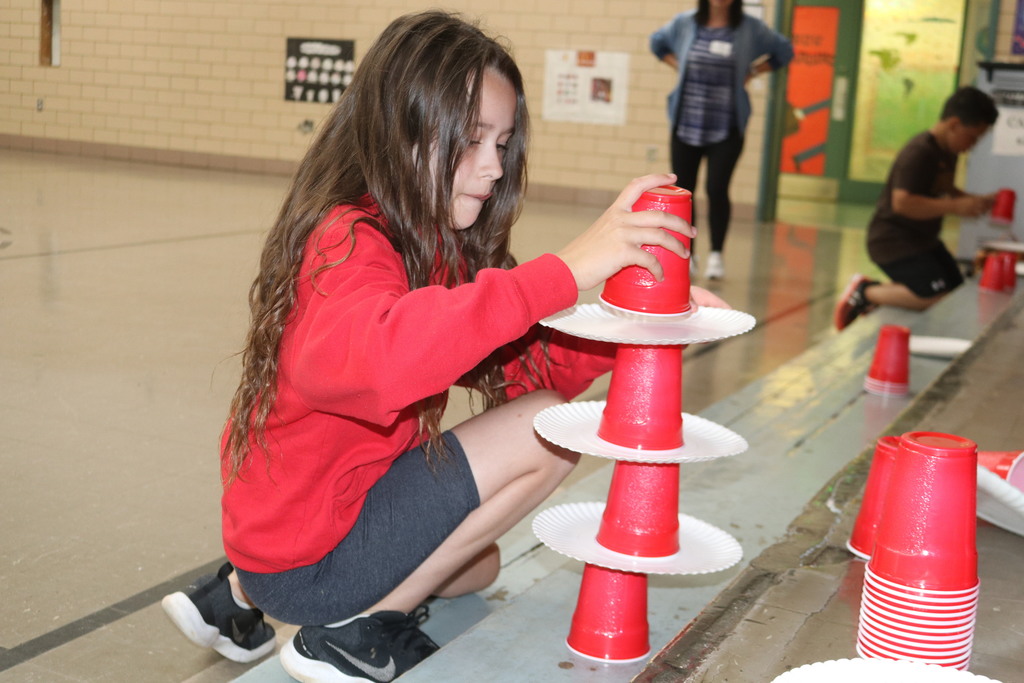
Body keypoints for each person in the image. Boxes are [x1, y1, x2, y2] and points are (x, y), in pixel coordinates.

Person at [161, 11, 728, 683]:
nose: (492, 167)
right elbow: (387, 358)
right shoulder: (348, 240)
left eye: (504, 141)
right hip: (307, 555)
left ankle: (233, 600)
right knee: (549, 427)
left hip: (287, 532)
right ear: (398, 127)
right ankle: (356, 632)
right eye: (471, 139)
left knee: (476, 568)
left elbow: (524, 360)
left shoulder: (426, 238)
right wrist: (565, 270)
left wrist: (635, 333)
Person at [833, 86, 1000, 331]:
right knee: (935, 297)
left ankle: (881, 293)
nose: (972, 145)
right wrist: (955, 206)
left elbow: (945, 188)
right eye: (973, 137)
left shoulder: (947, 151)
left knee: (955, 291)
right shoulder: (919, 152)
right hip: (893, 242)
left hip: (924, 241)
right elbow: (903, 203)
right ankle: (866, 292)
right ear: (954, 124)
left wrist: (976, 200)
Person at [650, 0, 793, 281]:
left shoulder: (749, 28)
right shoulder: (685, 23)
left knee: (717, 188)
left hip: (726, 126)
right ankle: (687, 254)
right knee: (684, 190)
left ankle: (717, 254)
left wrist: (752, 72)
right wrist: (678, 65)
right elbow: (657, 43)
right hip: (686, 123)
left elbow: (784, 51)